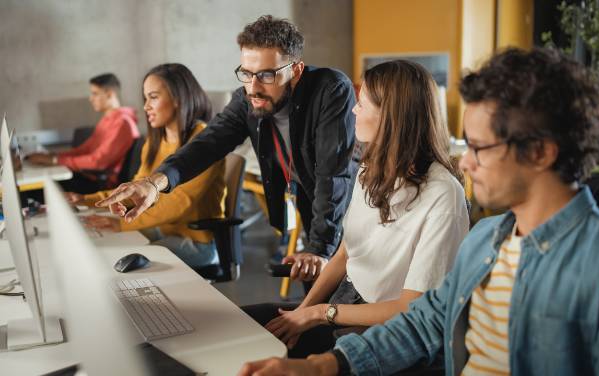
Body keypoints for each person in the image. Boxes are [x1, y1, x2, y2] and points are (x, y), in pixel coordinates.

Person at [238, 48, 599, 376]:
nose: (465, 163)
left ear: (540, 152)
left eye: (479, 148)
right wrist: (318, 367)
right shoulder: (487, 240)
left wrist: (319, 320)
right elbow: (423, 324)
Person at [95, 15, 358, 281]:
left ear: (296, 71)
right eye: (246, 74)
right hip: (313, 201)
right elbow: (206, 144)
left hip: (357, 203)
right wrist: (154, 183)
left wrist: (320, 247)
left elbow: (332, 174)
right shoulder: (247, 100)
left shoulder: (330, 89)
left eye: (267, 75)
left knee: (352, 287)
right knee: (316, 286)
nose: (253, 88)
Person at [242, 60, 469, 358]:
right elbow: (345, 254)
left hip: (383, 329)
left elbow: (411, 308)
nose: (353, 110)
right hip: (343, 301)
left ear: (390, 116)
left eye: (361, 103)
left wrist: (317, 314)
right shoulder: (371, 169)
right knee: (236, 325)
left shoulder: (443, 195)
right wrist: (301, 311)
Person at [69, 64, 225, 269]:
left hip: (198, 243)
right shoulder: (155, 142)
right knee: (102, 246)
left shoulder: (204, 142)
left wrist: (122, 224)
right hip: (163, 230)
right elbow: (136, 188)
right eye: (146, 98)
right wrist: (86, 200)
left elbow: (178, 204)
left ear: (178, 98)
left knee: (116, 261)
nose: (146, 107)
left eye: (153, 97)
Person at [27, 73, 139, 194]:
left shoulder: (122, 123)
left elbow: (98, 162)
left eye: (95, 93)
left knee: (37, 188)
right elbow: (85, 149)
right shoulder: (108, 119)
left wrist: (55, 160)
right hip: (90, 176)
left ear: (110, 94)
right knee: (39, 181)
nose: (91, 98)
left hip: (101, 184)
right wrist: (53, 156)